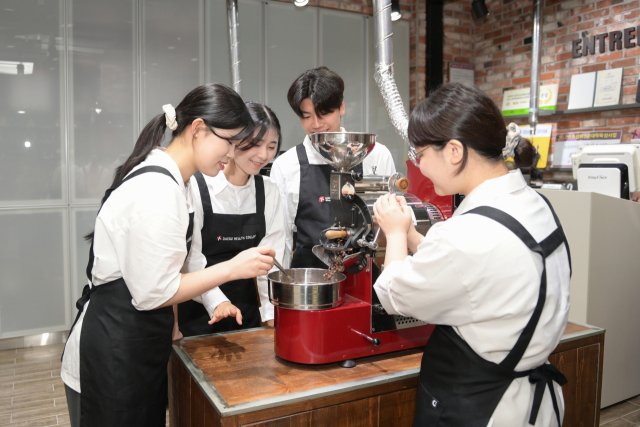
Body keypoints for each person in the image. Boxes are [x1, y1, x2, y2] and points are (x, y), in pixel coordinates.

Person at [60, 83, 275, 427]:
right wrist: (232, 268)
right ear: (199, 129)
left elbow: (185, 260)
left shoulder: (181, 182)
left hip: (139, 343)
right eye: (230, 142)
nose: (232, 154)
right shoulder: (156, 191)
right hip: (112, 352)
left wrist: (184, 318)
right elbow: (153, 293)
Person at [372, 83, 571, 427]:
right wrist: (414, 237)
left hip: (483, 409)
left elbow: (393, 294)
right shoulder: (534, 204)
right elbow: (474, 271)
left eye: (421, 155)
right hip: (533, 401)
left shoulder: (466, 234)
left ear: (453, 151)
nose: (419, 166)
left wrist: (392, 233)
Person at [175, 102, 285, 337]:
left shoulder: (270, 191)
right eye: (255, 144)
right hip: (198, 311)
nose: (263, 155)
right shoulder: (197, 185)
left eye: (271, 146)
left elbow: (271, 262)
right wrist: (218, 302)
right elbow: (191, 259)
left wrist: (270, 315)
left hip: (247, 312)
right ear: (233, 141)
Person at [270, 66, 396, 269]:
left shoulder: (376, 155)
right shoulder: (286, 165)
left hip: (365, 281)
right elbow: (280, 238)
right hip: (311, 284)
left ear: (342, 107)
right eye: (307, 116)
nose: (317, 124)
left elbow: (390, 230)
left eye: (324, 113)